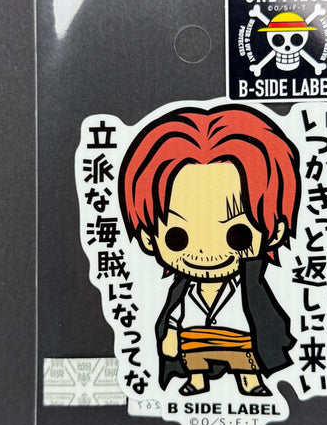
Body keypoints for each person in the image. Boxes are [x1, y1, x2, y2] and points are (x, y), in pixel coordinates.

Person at [119, 105, 300, 396]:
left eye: (236, 235)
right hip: (195, 339)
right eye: (178, 237)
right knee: (196, 361)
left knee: (245, 361)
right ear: (148, 238)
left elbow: (266, 317)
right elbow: (174, 316)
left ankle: (250, 381)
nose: (204, 251)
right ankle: (197, 381)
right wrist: (170, 337)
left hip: (238, 337)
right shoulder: (181, 291)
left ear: (275, 232)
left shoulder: (251, 287)